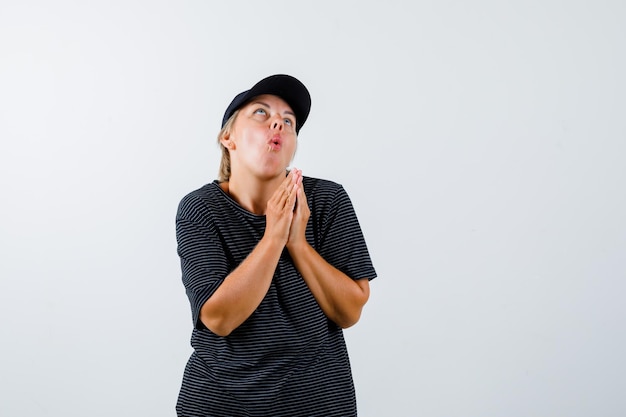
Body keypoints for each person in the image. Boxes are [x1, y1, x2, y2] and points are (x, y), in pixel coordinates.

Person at [175, 74, 377, 416]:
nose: (278, 125)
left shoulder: (327, 200)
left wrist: (298, 242)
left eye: (288, 121)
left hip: (319, 405)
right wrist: (273, 237)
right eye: (261, 113)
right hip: (220, 405)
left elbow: (350, 311)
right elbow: (219, 318)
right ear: (228, 137)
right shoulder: (200, 209)